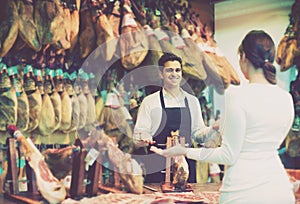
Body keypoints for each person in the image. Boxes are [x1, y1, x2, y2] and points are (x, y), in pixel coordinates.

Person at [151, 30, 295, 203]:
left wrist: (184, 151)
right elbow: (263, 138)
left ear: (243, 58)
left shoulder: (238, 96)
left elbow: (228, 155)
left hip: (243, 191)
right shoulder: (285, 98)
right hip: (279, 188)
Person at [133, 53, 219, 183]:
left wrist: (213, 129)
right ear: (161, 74)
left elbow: (197, 133)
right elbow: (137, 137)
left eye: (177, 70)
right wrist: (144, 138)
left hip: (185, 168)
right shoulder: (149, 102)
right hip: (157, 169)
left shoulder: (192, 101)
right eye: (169, 70)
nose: (174, 74)